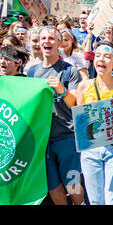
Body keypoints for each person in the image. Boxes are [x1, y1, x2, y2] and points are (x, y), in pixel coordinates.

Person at [27, 27, 85, 205]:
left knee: (72, 184)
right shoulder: (31, 72)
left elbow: (75, 103)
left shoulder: (69, 70)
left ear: (59, 43)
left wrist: (61, 90)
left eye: (52, 38)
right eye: (43, 38)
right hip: (43, 140)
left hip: (66, 137)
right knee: (53, 187)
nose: (47, 42)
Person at [71, 41, 113, 205]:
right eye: (97, 56)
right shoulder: (84, 86)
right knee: (96, 201)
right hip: (91, 150)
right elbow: (80, 118)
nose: (101, 60)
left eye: (107, 56)